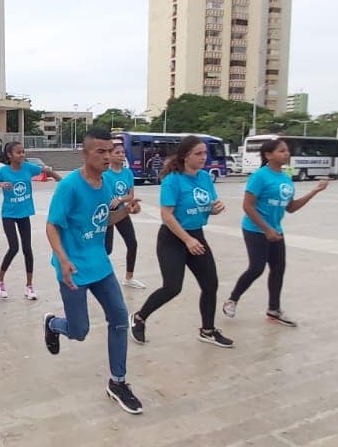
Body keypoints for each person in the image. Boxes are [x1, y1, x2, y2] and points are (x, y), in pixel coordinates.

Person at [43, 127, 145, 414]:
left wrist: (127, 211)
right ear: (85, 153)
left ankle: (118, 382)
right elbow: (51, 226)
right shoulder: (70, 186)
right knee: (79, 331)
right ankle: (53, 324)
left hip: (100, 264)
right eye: (100, 151)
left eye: (109, 150)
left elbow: (104, 219)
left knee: (120, 318)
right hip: (72, 267)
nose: (106, 156)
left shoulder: (108, 184)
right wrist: (62, 259)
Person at [130, 135, 232, 348]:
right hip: (173, 238)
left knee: (210, 284)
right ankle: (139, 318)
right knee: (173, 287)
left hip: (196, 236)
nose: (204, 157)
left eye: (205, 153)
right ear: (186, 156)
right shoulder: (172, 180)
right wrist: (186, 240)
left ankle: (208, 330)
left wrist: (214, 209)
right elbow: (167, 215)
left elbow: (207, 206)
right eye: (199, 153)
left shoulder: (204, 178)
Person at [223, 138, 328, 327]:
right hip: (255, 229)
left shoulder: (286, 179)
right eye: (281, 151)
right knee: (256, 268)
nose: (286, 154)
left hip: (276, 231)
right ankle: (232, 299)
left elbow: (291, 207)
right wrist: (266, 229)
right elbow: (247, 206)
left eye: (287, 151)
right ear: (268, 155)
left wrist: (315, 191)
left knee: (278, 270)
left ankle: (274, 310)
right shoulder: (259, 176)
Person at [0, 141, 60, 300]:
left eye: (23, 152)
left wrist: (65, 183)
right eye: (19, 152)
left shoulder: (28, 168)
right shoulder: (3, 171)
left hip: (24, 214)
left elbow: (48, 172)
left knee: (27, 249)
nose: (22, 155)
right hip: (9, 215)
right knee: (14, 247)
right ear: (10, 155)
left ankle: (29, 286)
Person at [104, 143, 145, 289]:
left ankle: (129, 277)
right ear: (110, 155)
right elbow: (105, 197)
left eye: (123, 152)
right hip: (108, 214)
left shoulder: (128, 173)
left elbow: (131, 195)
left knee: (132, 243)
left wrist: (121, 200)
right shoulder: (105, 174)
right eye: (117, 152)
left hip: (122, 212)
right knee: (107, 249)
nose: (121, 155)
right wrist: (115, 200)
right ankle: (101, 277)